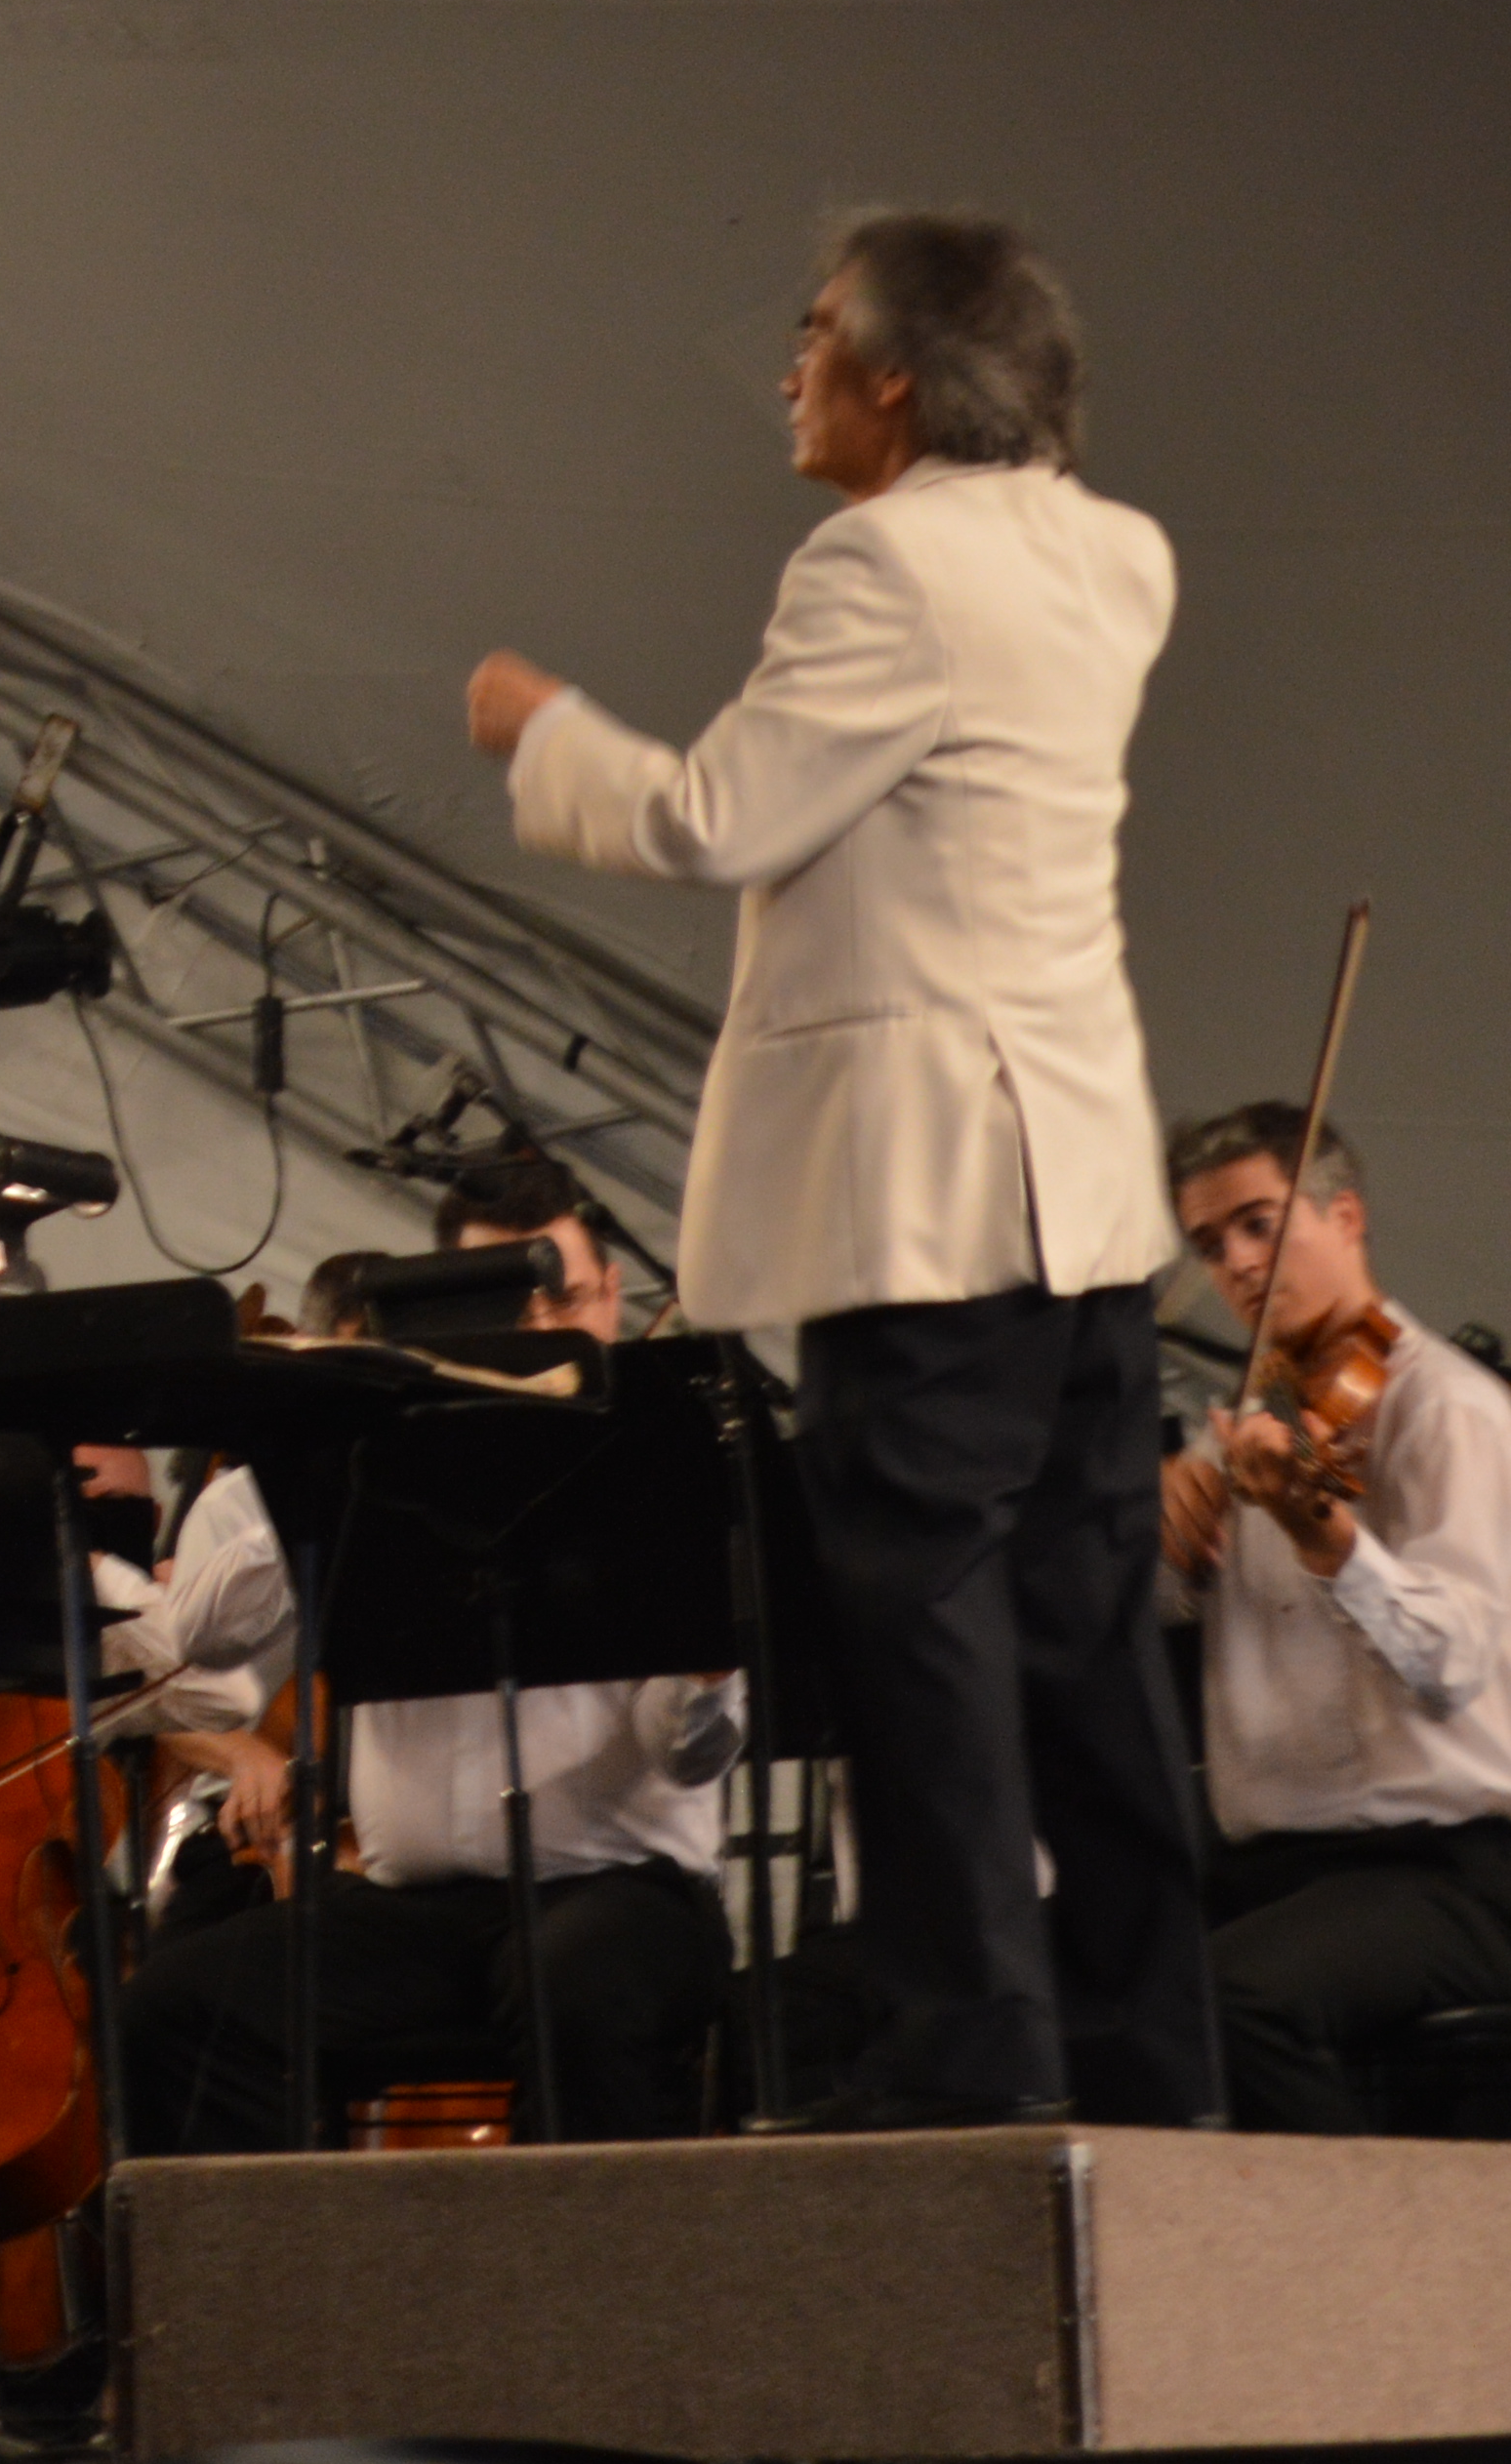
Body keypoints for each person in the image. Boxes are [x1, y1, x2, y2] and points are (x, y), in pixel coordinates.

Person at [469, 212, 1218, 2130]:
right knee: (1082, 1621)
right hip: (1078, 1179)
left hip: (930, 1190)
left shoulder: (875, 560)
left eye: (811, 337)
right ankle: (1146, 2049)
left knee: (924, 1621)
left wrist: (538, 729)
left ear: (896, 375)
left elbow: (715, 814)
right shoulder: (1117, 555)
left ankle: (968, 2049)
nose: (784, 370)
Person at [112, 1161, 738, 2146]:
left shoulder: (663, 1450)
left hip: (623, 1890)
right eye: (498, 1302)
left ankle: (593, 2292)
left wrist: (705, 1674)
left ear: (611, 1298)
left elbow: (687, 1756)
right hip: (418, 1911)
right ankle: (281, 2293)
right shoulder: (380, 1448)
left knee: (570, 1983)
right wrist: (322, 1469)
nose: (533, 1329)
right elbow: (204, 1639)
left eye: (561, 1298)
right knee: (176, 2004)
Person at [1157, 1103, 1511, 2133]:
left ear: (1345, 1216)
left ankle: (1347, 2278)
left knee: (1226, 1996)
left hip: (1442, 1876)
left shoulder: (1447, 1410)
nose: (1237, 1262)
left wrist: (1323, 1533)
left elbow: (1452, 1660)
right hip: (1277, 1871)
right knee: (1079, 1982)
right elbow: (1166, 1614)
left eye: (1259, 1222)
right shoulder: (1251, 1431)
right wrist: (1153, 1533)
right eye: (1210, 1244)